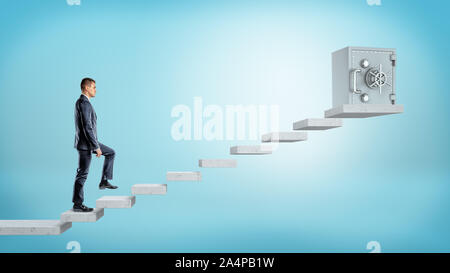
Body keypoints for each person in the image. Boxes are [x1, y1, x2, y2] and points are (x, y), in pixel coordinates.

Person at [72, 78, 118, 212]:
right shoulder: (84, 103)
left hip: (87, 142)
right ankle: (78, 204)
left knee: (111, 152)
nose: (95, 90)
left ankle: (104, 181)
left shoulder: (81, 102)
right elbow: (87, 127)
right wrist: (96, 147)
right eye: (93, 87)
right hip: (86, 144)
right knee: (82, 174)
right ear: (86, 88)